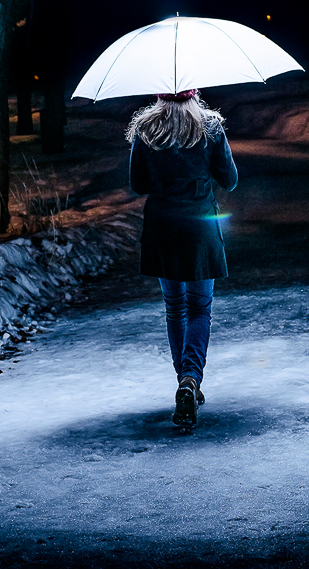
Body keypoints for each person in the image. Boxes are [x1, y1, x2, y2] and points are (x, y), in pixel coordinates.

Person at [127, 89, 238, 428]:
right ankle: (191, 379)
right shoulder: (211, 128)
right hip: (200, 229)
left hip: (163, 228)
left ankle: (183, 381)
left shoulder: (146, 130)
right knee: (199, 307)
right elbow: (230, 181)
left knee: (174, 306)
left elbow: (137, 184)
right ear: (194, 93)